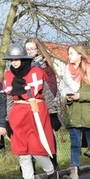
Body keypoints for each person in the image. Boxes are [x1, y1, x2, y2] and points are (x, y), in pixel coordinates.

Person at [2, 44, 60, 179]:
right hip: (18, 114)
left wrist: (53, 114)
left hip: (36, 112)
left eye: (17, 59)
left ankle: (51, 173)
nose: (14, 62)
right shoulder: (8, 76)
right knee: (23, 152)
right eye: (12, 59)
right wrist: (7, 120)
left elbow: (47, 93)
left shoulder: (37, 72)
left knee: (36, 149)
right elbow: (9, 100)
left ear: (23, 59)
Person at [60, 44, 90, 179]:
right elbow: (61, 92)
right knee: (75, 145)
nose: (69, 56)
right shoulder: (66, 72)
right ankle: (74, 173)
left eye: (71, 53)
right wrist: (66, 98)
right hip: (74, 114)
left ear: (80, 54)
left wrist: (81, 95)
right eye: (68, 53)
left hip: (89, 112)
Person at [26, 38, 63, 166]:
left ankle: (53, 164)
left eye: (32, 49)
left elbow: (51, 89)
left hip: (43, 107)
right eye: (27, 49)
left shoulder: (46, 68)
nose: (30, 52)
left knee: (47, 136)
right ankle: (30, 167)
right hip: (28, 108)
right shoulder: (24, 68)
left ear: (38, 50)